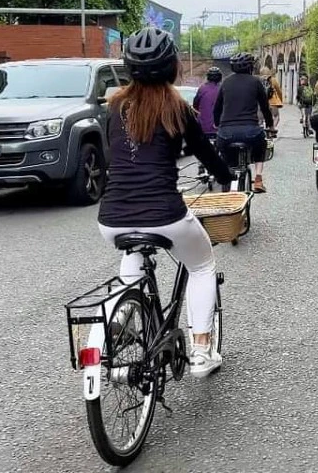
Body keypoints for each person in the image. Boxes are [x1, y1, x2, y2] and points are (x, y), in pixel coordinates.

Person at [98, 27, 233, 378]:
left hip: (112, 217)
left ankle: (121, 316)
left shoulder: (114, 108)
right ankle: (202, 351)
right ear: (172, 67)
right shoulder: (178, 109)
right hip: (165, 214)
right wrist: (227, 177)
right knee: (201, 265)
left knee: (132, 257)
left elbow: (117, 159)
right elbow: (208, 155)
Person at [214, 53, 275, 193]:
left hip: (226, 133)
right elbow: (265, 108)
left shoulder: (226, 82)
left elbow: (217, 108)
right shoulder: (256, 82)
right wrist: (271, 126)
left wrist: (217, 124)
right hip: (251, 132)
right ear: (251, 67)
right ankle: (258, 179)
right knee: (261, 146)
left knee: (226, 155)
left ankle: (227, 178)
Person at [193, 67, 222, 138]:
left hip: (203, 129)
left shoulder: (202, 89)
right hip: (220, 129)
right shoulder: (223, 89)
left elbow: (195, 105)